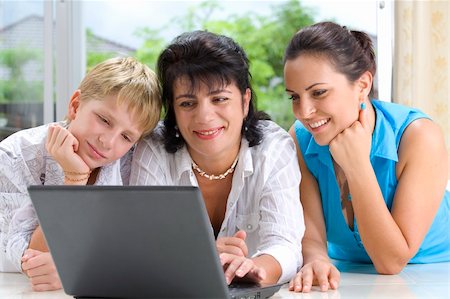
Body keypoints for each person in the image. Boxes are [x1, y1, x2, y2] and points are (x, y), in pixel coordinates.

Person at [283, 21, 450, 293]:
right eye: (294, 97)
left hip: (435, 276)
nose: (304, 111)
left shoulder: (418, 137)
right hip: (351, 279)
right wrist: (316, 260)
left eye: (319, 92)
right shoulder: (301, 139)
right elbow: (312, 238)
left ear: (362, 84)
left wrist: (357, 164)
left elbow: (390, 262)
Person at [130, 30, 304, 285]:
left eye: (219, 99)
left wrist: (255, 268)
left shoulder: (273, 147)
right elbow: (144, 245)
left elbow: (286, 244)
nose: (204, 116)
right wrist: (200, 258)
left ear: (245, 102)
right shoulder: (153, 149)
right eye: (188, 103)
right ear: (173, 110)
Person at [0, 57, 162, 291]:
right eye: (104, 120)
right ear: (75, 106)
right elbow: (33, 257)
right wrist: (73, 180)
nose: (107, 142)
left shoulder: (134, 161)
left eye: (126, 137)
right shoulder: (13, 157)